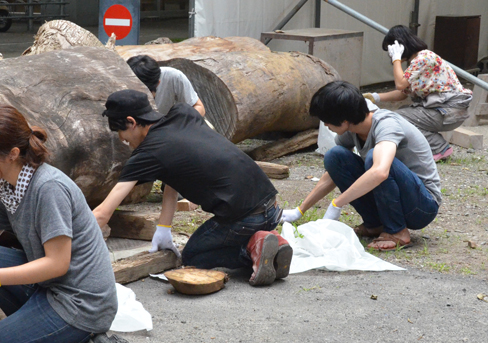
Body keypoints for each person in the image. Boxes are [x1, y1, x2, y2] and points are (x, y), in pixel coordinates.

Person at [0, 104, 134, 343]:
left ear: (12, 154)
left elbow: (58, 264)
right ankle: (33, 334)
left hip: (80, 305)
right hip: (49, 290)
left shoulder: (48, 188)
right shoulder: (6, 191)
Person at [93, 89, 292, 286]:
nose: (122, 139)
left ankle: (250, 249)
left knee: (194, 256)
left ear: (132, 122)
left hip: (246, 219)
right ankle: (269, 240)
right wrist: (163, 228)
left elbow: (103, 213)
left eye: (121, 131)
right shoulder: (182, 113)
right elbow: (173, 175)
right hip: (271, 206)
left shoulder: (148, 153)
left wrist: (68, 244)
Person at [282, 81, 442, 251]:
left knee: (375, 158)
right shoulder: (353, 130)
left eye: (327, 121)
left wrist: (337, 203)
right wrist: (300, 210)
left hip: (421, 207)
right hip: (396, 199)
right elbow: (333, 172)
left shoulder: (386, 125)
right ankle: (376, 224)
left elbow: (380, 172)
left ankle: (397, 232)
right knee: (335, 156)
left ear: (343, 120)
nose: (326, 125)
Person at [364, 25, 473, 162]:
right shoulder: (418, 61)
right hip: (446, 110)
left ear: (401, 45)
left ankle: (439, 147)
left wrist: (396, 60)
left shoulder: (424, 57)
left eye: (392, 50)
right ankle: (435, 146)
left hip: (449, 110)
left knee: (399, 117)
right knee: (404, 112)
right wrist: (374, 97)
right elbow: (403, 93)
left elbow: (400, 84)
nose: (390, 54)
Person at [127, 54, 206, 117]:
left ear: (158, 83)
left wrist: (179, 124)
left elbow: (199, 107)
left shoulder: (174, 76)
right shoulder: (122, 82)